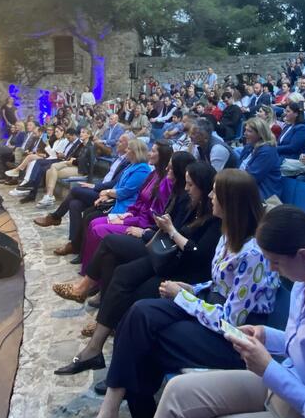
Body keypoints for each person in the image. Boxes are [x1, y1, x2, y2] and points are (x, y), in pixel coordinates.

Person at [53, 169, 279, 418]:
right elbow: (218, 284)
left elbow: (233, 323)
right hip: (209, 311)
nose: (210, 196)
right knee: (139, 314)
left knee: (147, 338)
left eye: (216, 193)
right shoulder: (228, 235)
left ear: (230, 201)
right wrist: (193, 289)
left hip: (231, 341)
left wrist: (184, 296)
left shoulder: (253, 254)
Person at [136, 207, 305, 418]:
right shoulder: (303, 282)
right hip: (278, 387)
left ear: (304, 256)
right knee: (178, 392)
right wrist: (266, 334)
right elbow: (301, 348)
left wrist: (268, 369)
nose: (272, 269)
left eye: (275, 262)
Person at [52, 155, 212, 364]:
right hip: (159, 246)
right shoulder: (178, 193)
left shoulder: (189, 202)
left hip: (166, 256)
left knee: (108, 240)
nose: (211, 195)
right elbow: (158, 220)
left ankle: (89, 294)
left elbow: (186, 244)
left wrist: (148, 231)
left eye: (173, 170)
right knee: (107, 249)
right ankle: (104, 317)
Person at [59, 140, 170, 285]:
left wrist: (125, 216)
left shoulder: (150, 174)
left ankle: (93, 276)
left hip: (134, 216)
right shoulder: (152, 173)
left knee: (95, 224)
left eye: (154, 151)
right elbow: (137, 201)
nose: (150, 153)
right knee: (81, 209)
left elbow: (139, 203)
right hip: (129, 211)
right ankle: (87, 267)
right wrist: (127, 213)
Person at [62, 137, 153, 263]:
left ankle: (82, 253)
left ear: (135, 152)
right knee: (79, 206)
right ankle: (79, 248)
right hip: (115, 199)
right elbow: (117, 184)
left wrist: (108, 192)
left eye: (129, 149)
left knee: (88, 214)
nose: (126, 151)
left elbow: (126, 191)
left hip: (124, 206)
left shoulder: (142, 169)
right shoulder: (132, 165)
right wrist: (107, 195)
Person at [33, 133, 133, 242]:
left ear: (129, 145)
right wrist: (95, 185)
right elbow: (107, 178)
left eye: (121, 141)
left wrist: (95, 186)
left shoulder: (127, 162)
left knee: (75, 190)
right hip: (101, 188)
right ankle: (74, 242)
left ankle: (56, 217)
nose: (117, 143)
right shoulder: (118, 159)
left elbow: (114, 183)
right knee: (74, 204)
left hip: (107, 194)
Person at [36, 127, 93, 207]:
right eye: (81, 132)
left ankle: (49, 196)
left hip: (81, 170)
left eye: (83, 132)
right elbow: (74, 157)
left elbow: (90, 163)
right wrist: (73, 160)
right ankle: (49, 195)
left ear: (88, 135)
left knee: (53, 170)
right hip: (73, 164)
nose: (81, 134)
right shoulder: (81, 145)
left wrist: (90, 181)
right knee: (50, 170)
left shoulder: (90, 147)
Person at [237, 117, 283, 201]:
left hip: (263, 194)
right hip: (245, 187)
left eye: (249, 131)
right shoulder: (249, 147)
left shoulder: (267, 151)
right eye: (245, 130)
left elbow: (252, 178)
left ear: (260, 134)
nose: (245, 134)